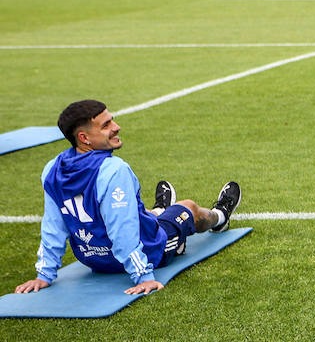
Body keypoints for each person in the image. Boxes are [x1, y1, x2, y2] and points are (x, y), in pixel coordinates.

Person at [14, 100, 242, 295]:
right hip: (149, 252)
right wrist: (143, 276)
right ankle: (221, 217)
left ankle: (160, 210)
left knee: (131, 212)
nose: (116, 127)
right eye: (106, 125)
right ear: (84, 138)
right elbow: (121, 229)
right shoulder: (113, 169)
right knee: (189, 208)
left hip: (93, 259)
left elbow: (53, 225)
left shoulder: (52, 169)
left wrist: (44, 274)